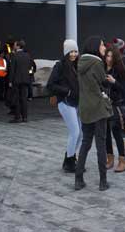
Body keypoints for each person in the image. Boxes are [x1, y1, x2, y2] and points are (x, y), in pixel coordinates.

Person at [75, 36, 112, 192]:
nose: (104, 48)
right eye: (102, 45)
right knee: (101, 144)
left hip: (85, 107)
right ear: (96, 47)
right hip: (98, 107)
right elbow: (102, 82)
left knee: (85, 143)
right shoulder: (97, 63)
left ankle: (78, 179)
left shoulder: (80, 62)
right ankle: (103, 181)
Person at [47, 39, 81, 173]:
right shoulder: (60, 65)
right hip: (66, 102)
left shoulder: (77, 65)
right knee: (75, 132)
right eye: (70, 52)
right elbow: (51, 85)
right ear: (66, 53)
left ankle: (70, 158)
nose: (73, 54)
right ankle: (70, 161)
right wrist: (67, 91)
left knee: (81, 133)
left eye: (75, 51)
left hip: (77, 102)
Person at [104, 45, 125, 173]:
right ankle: (109, 159)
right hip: (104, 105)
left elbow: (124, 89)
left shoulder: (119, 70)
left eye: (111, 57)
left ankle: (122, 160)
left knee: (117, 133)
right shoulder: (102, 68)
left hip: (115, 105)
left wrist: (114, 82)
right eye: (107, 56)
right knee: (106, 133)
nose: (108, 59)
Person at [8, 40, 33, 123]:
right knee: (24, 99)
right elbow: (30, 67)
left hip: (16, 80)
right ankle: (25, 117)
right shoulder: (27, 55)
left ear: (18, 46)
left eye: (15, 45)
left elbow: (12, 70)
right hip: (25, 80)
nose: (14, 46)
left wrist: (10, 80)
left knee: (17, 99)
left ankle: (17, 117)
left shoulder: (14, 56)